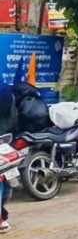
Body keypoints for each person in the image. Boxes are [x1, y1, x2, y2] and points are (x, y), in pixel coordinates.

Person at [0, 84, 17, 233]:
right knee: (9, 179)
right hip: (8, 142)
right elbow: (14, 119)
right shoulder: (8, 91)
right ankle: (3, 211)